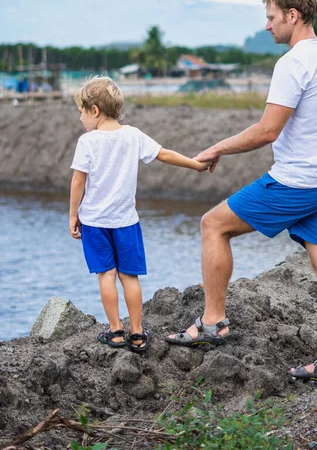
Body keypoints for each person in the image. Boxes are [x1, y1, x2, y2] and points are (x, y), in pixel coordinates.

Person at [167, 0, 317, 388]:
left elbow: (267, 131)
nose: (267, 26)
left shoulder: (294, 62)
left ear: (292, 15)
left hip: (297, 184)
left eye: (270, 17)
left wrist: (216, 148)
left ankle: (214, 321)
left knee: (213, 224)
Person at [70, 76, 212, 353]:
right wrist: (195, 165)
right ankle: (137, 332)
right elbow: (165, 154)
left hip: (94, 223)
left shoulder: (87, 142)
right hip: (126, 222)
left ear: (95, 110)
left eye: (81, 112)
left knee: (106, 275)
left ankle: (115, 332)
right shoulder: (133, 135)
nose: (80, 118)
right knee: (129, 276)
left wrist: (72, 215)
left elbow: (78, 182)